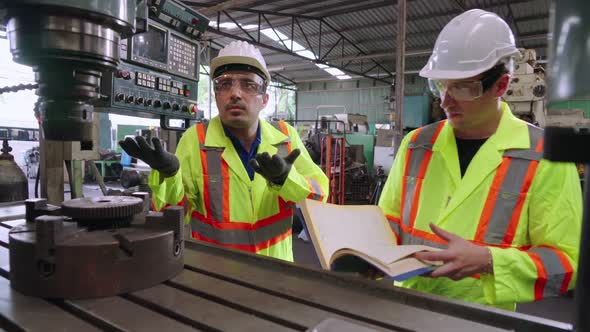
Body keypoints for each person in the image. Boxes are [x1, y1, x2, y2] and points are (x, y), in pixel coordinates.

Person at [378, 9, 582, 310]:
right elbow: (388, 222)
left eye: (462, 87)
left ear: (501, 86)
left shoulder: (545, 157)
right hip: (406, 308)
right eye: (440, 85)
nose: (445, 101)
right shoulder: (416, 145)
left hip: (481, 319)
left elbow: (568, 263)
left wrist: (489, 262)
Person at [120, 41, 328, 262]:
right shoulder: (195, 140)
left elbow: (319, 197)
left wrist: (286, 179)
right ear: (216, 95)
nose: (235, 93)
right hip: (214, 275)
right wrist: (169, 176)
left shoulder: (286, 137)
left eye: (248, 84)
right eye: (224, 84)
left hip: (276, 272)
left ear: (265, 99)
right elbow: (174, 213)